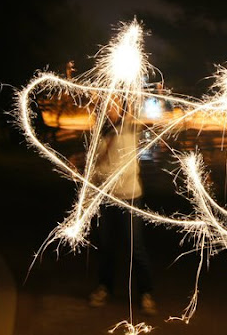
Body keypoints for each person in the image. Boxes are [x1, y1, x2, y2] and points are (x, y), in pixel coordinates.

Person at [88, 98, 156, 315]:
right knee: (106, 246)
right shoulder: (99, 132)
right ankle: (104, 287)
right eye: (107, 103)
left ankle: (146, 293)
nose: (110, 107)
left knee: (135, 246)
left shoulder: (128, 128)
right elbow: (94, 164)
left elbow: (124, 169)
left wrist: (101, 176)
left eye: (115, 103)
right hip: (106, 198)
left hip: (129, 197)